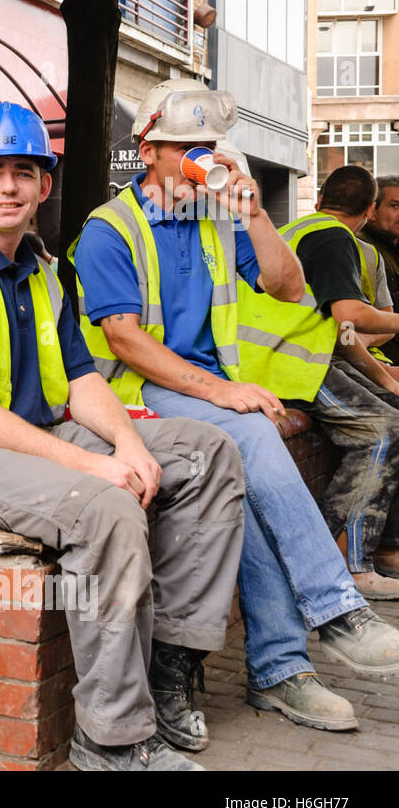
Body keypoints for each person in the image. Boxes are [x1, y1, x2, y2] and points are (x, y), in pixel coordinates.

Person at [0, 103, 244, 770]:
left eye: (25, 171)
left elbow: (81, 379)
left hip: (30, 434)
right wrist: (91, 466)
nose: (9, 186)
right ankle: (111, 738)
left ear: (46, 185)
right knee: (105, 511)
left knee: (207, 452)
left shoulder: (42, 270)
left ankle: (169, 664)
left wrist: (129, 446)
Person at [71, 78, 399, 734]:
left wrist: (252, 212)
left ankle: (280, 672)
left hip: (200, 393)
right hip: (128, 392)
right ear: (147, 149)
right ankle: (332, 611)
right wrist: (224, 392)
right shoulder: (110, 229)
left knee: (243, 485)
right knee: (251, 432)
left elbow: (287, 285)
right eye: (183, 146)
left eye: (206, 145)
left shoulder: (219, 216)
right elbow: (123, 339)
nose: (198, 156)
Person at [239, 165, 399, 592]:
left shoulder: (298, 229)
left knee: (390, 416)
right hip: (285, 368)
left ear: (321, 198)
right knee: (381, 433)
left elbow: (340, 332)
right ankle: (345, 563)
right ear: (369, 209)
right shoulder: (335, 239)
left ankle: (342, 552)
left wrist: (384, 379)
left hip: (275, 363)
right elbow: (351, 318)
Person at [357, 174, 399, 364]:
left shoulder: (391, 247)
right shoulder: (364, 249)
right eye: (395, 206)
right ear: (372, 211)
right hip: (379, 362)